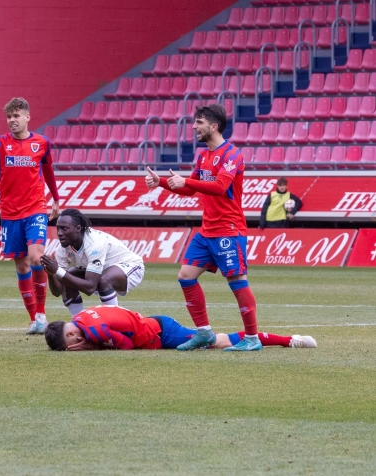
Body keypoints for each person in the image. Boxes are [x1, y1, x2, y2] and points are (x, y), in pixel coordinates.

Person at [145, 104, 261, 352]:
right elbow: (192, 187)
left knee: (237, 281)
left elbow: (219, 186)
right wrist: (161, 182)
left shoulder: (232, 154)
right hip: (207, 231)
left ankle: (252, 339)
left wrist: (186, 180)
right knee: (185, 276)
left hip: (229, 229)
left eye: (198, 122)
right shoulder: (202, 155)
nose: (194, 127)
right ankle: (205, 333)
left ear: (213, 126)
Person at [0, 97, 61, 334]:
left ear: (27, 117)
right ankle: (34, 320)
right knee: (21, 267)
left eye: (16, 116)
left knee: (36, 258)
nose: (12, 121)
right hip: (10, 214)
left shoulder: (41, 142)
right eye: (9, 117)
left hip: (36, 210)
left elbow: (48, 170)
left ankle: (42, 313)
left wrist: (56, 199)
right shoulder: (0, 143)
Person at [44, 305, 317, 352]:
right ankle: (286, 339)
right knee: (217, 340)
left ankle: (288, 340)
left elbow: (126, 346)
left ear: (71, 335)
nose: (77, 345)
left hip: (163, 333)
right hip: (155, 325)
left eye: (73, 345)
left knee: (220, 341)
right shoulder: (81, 317)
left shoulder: (92, 332)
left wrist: (91, 347)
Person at [40, 208, 145, 317]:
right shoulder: (62, 249)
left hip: (131, 266)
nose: (59, 233)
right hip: (102, 270)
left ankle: (113, 322)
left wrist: (58, 270)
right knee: (68, 278)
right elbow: (57, 291)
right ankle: (78, 323)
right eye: (58, 228)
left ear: (78, 228)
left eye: (64, 228)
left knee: (104, 279)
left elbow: (90, 287)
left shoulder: (94, 244)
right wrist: (51, 274)